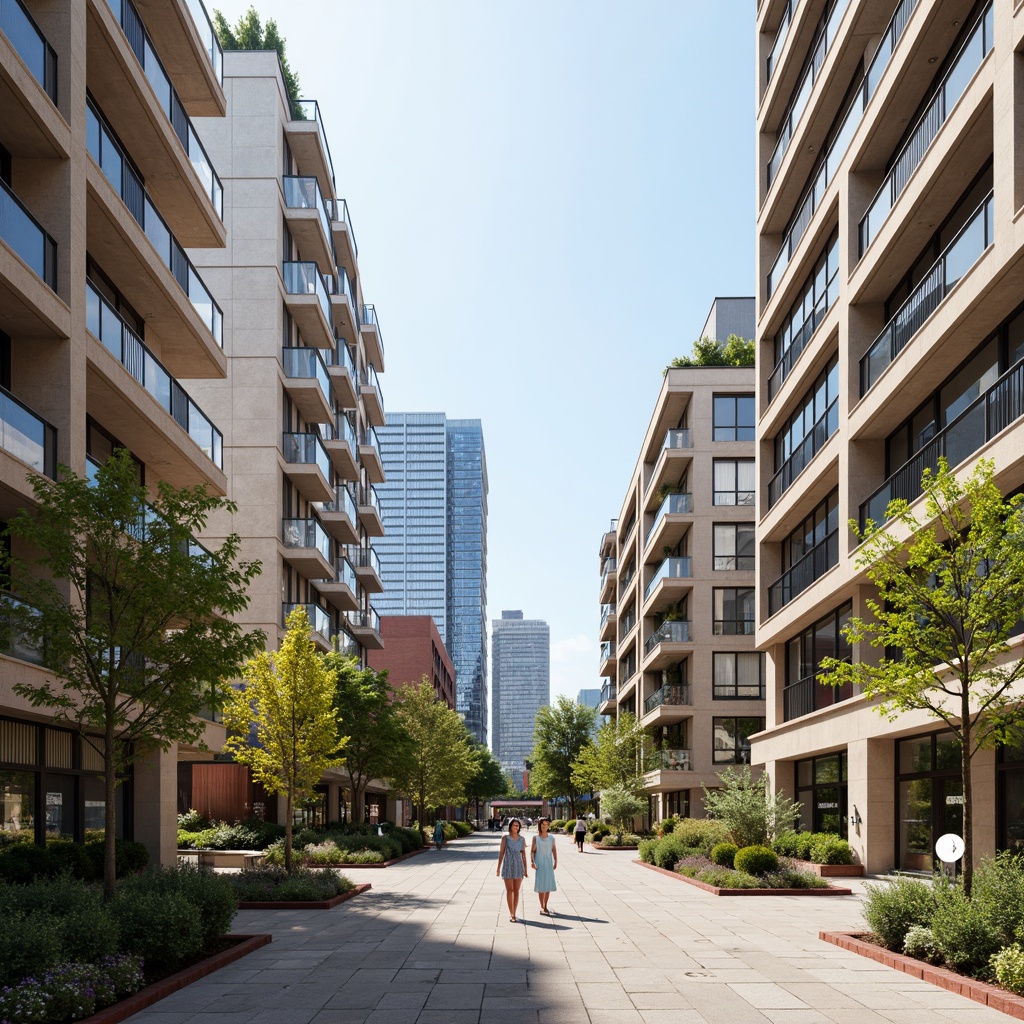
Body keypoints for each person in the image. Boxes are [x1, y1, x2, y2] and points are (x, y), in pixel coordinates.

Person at [496, 817, 528, 922]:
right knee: (510, 890)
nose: (516, 827)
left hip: (519, 866)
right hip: (508, 865)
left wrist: (526, 869)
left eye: (517, 825)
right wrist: (498, 868)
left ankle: (515, 910)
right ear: (510, 826)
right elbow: (501, 853)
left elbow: (523, 855)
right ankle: (511, 913)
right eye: (514, 825)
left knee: (517, 890)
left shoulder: (522, 839)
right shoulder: (505, 838)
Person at [530, 817, 557, 915]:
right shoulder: (535, 838)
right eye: (542, 825)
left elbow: (554, 850)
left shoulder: (551, 838)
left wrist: (556, 862)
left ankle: (546, 905)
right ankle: (542, 906)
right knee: (541, 885)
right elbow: (532, 851)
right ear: (539, 826)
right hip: (540, 864)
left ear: (548, 826)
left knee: (548, 884)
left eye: (546, 825)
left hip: (548, 863)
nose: (544, 827)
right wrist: (532, 862)